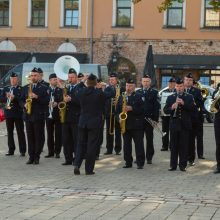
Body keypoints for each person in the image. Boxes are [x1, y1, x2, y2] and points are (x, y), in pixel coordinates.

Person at [74, 74, 105, 175]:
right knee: (91, 146)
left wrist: (82, 81)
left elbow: (76, 89)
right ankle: (89, 169)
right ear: (96, 82)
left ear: (87, 82)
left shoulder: (81, 92)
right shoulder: (99, 93)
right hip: (94, 123)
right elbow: (111, 94)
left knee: (80, 144)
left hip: (82, 122)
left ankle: (77, 165)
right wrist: (103, 87)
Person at [164, 78, 195, 172]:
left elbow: (193, 109)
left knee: (184, 146)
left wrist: (184, 103)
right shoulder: (171, 97)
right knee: (173, 146)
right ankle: (173, 165)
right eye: (177, 86)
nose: (179, 88)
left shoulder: (189, 97)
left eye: (181, 86)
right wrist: (172, 107)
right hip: (174, 125)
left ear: (183, 86)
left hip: (185, 125)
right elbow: (165, 110)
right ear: (175, 87)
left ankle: (183, 165)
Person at [21, 67, 48, 165]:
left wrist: (37, 97)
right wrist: (24, 104)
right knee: (30, 137)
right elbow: (21, 100)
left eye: (35, 75)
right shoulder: (25, 87)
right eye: (32, 75)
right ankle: (31, 156)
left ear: (39, 76)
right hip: (28, 116)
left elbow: (46, 101)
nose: (33, 77)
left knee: (38, 137)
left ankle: (37, 157)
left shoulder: (44, 88)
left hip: (38, 116)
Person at [117, 79, 145, 169]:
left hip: (137, 125)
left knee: (139, 144)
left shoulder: (139, 96)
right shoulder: (121, 97)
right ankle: (128, 162)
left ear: (134, 86)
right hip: (125, 124)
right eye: (127, 86)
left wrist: (132, 108)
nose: (128, 88)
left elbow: (143, 110)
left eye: (130, 86)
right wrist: (119, 119)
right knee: (126, 145)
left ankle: (140, 163)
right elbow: (117, 110)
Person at [0, 72, 26, 156]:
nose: (13, 80)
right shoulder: (6, 88)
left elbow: (22, 100)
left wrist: (14, 97)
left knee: (20, 132)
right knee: (9, 132)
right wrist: (6, 97)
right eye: (11, 79)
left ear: (17, 79)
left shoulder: (21, 89)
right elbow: (1, 99)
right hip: (8, 113)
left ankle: (22, 150)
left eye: (14, 79)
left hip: (18, 113)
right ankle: (11, 150)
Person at [136, 74, 160, 164]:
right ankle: (140, 157)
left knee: (149, 139)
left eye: (147, 81)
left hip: (150, 120)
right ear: (141, 82)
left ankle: (149, 157)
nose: (145, 83)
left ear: (150, 82)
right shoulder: (138, 92)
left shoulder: (154, 92)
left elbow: (156, 107)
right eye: (144, 81)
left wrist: (156, 120)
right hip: (139, 120)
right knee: (139, 140)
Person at [184, 73, 204, 166]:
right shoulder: (180, 89)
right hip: (182, 119)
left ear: (192, 82)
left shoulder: (196, 91)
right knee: (183, 139)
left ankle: (191, 159)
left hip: (192, 119)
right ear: (184, 81)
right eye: (187, 80)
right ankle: (183, 157)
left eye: (190, 80)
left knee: (191, 140)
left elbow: (200, 104)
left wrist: (190, 104)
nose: (188, 82)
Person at [62, 68, 81, 165]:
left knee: (76, 140)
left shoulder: (81, 88)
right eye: (69, 77)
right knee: (66, 139)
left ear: (76, 77)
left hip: (76, 117)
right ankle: (68, 159)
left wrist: (71, 99)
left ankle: (76, 159)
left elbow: (82, 102)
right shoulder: (66, 87)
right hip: (65, 117)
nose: (70, 79)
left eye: (72, 77)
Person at [104, 72, 123, 155]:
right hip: (109, 113)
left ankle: (118, 149)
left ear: (116, 80)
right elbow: (105, 98)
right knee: (109, 132)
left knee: (118, 132)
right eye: (110, 79)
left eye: (113, 79)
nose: (111, 81)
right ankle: (109, 149)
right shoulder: (107, 89)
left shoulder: (121, 88)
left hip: (118, 113)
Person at [45, 73, 63, 158]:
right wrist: (47, 103)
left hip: (57, 114)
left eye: (56, 79)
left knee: (58, 134)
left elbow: (63, 101)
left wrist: (57, 103)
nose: (56, 81)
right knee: (49, 134)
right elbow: (42, 100)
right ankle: (50, 151)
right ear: (50, 81)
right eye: (54, 79)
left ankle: (57, 152)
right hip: (48, 114)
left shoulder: (60, 90)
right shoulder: (46, 90)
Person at [160, 77, 176, 151]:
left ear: (175, 84)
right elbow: (161, 102)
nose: (171, 85)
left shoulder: (177, 91)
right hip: (165, 115)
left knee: (173, 131)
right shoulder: (164, 92)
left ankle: (172, 145)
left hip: (174, 115)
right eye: (170, 83)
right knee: (165, 131)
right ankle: (164, 145)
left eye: (173, 83)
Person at [212, 87, 220, 174]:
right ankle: (219, 166)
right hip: (218, 120)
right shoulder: (216, 92)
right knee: (218, 144)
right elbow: (212, 105)